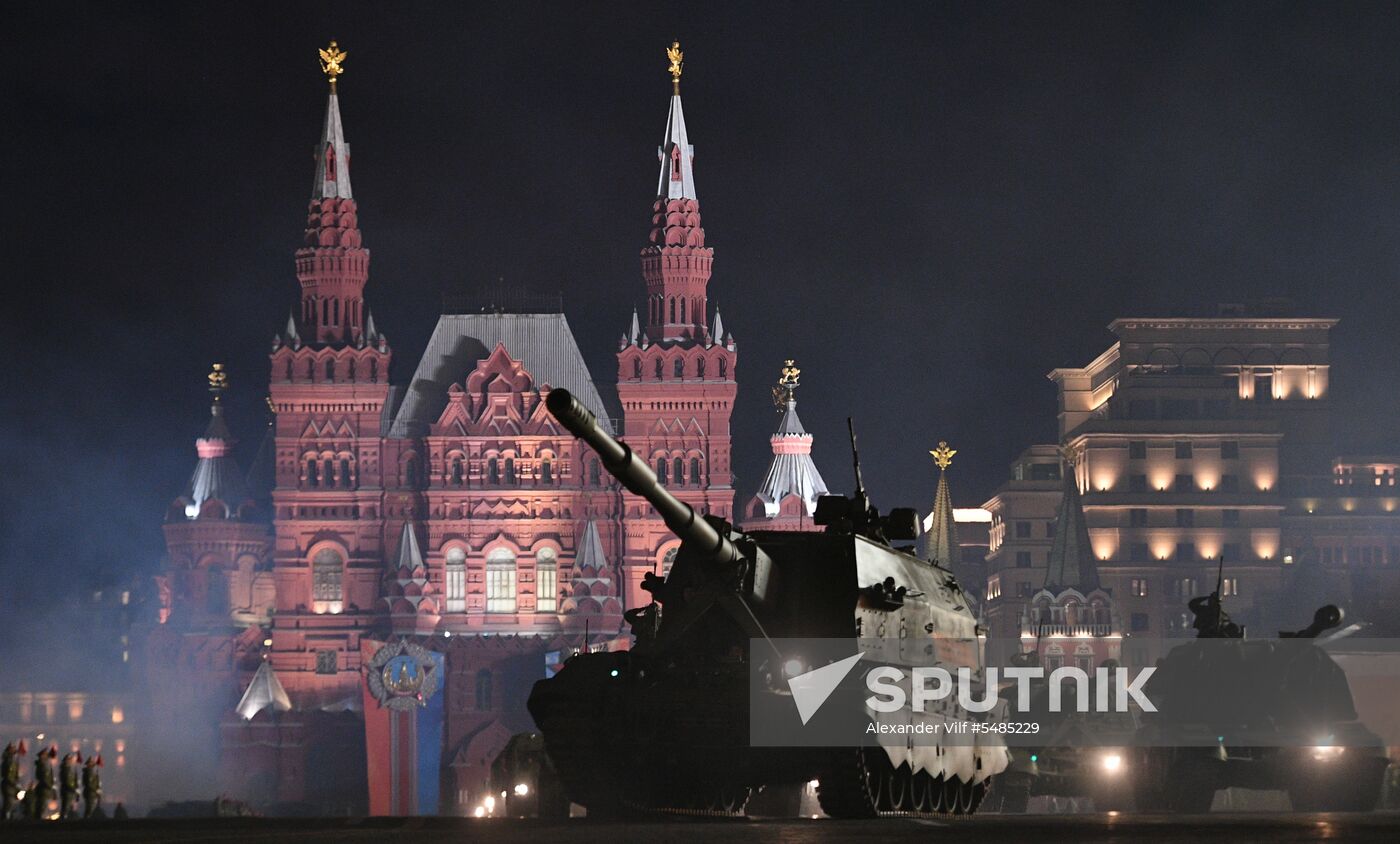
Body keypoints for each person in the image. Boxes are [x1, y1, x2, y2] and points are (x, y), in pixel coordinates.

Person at [31, 745, 56, 820]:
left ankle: (40, 818)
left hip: (46, 788)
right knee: (42, 805)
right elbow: (43, 777)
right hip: (43, 788)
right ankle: (38, 820)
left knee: (43, 805)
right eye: (45, 754)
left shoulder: (45, 764)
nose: (47, 756)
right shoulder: (42, 765)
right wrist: (49, 786)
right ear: (42, 756)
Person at [1, 741, 22, 820]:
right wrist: (15, 784)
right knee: (8, 802)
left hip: (11, 785)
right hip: (8, 785)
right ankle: (5, 819)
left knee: (10, 803)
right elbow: (8, 776)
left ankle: (7, 818)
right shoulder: (8, 761)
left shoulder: (13, 761)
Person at [59, 752, 79, 819]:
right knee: (65, 807)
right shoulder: (65, 769)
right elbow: (66, 781)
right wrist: (72, 788)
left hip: (70, 790)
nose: (71, 761)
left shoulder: (69, 769)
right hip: (67, 790)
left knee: (69, 806)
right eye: (69, 759)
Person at [81, 755, 102, 819]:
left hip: (92, 792)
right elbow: (89, 784)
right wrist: (96, 790)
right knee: (90, 809)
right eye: (92, 763)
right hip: (90, 793)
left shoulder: (91, 771)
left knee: (90, 809)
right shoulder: (89, 772)